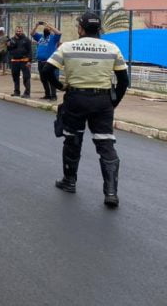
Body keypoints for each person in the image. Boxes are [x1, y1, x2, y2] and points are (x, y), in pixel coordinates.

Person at [43, 11, 129, 208]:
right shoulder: (112, 48)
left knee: (72, 139)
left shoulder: (67, 47)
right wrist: (113, 102)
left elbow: (46, 70)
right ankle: (111, 192)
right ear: (98, 28)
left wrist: (59, 86)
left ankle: (69, 181)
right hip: (103, 101)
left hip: (76, 98)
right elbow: (124, 81)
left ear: (81, 28)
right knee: (105, 144)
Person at [32, 21, 62, 100]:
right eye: (45, 27)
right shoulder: (40, 37)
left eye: (48, 28)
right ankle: (47, 94)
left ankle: (53, 96)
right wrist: (36, 26)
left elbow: (59, 33)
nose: (46, 28)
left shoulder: (53, 37)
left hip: (49, 62)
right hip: (40, 62)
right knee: (43, 79)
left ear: (51, 30)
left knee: (52, 79)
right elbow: (32, 34)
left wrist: (50, 26)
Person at [6, 25, 32, 97]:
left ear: (22, 31)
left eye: (20, 31)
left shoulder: (26, 40)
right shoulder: (12, 39)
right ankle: (16, 92)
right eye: (17, 31)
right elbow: (9, 49)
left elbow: (30, 51)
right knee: (15, 77)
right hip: (15, 61)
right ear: (15, 31)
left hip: (24, 61)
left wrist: (29, 61)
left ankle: (27, 93)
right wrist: (8, 45)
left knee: (26, 77)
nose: (18, 32)